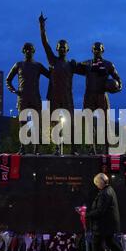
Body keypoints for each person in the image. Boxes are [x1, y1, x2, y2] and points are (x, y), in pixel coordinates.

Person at [39, 13, 78, 155]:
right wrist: (42, 27)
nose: (61, 49)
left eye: (64, 47)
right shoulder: (52, 61)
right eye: (59, 47)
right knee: (54, 123)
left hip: (67, 97)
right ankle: (56, 148)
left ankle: (73, 149)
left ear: (67, 49)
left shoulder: (71, 65)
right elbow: (45, 44)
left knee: (72, 123)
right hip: (55, 97)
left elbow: (87, 69)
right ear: (57, 49)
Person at [76, 43, 122, 155]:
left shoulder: (108, 64)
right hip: (89, 96)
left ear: (103, 50)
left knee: (105, 124)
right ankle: (92, 149)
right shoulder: (86, 64)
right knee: (89, 123)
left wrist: (115, 88)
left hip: (102, 95)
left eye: (99, 49)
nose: (97, 51)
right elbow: (74, 68)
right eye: (95, 49)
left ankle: (106, 149)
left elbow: (119, 81)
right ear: (92, 50)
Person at [83, 173, 126, 251]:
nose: (96, 185)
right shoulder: (109, 190)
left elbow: (100, 211)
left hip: (103, 224)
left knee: (97, 244)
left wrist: (87, 214)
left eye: (97, 183)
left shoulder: (104, 193)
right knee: (109, 243)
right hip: (108, 223)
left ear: (101, 182)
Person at [6, 42, 50, 155]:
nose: (28, 51)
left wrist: (53, 66)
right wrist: (14, 90)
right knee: (23, 123)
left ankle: (37, 149)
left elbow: (51, 75)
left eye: (30, 49)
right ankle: (23, 147)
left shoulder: (38, 66)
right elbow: (8, 80)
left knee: (37, 123)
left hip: (35, 98)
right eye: (26, 49)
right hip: (23, 98)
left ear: (34, 51)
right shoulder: (18, 65)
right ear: (23, 51)